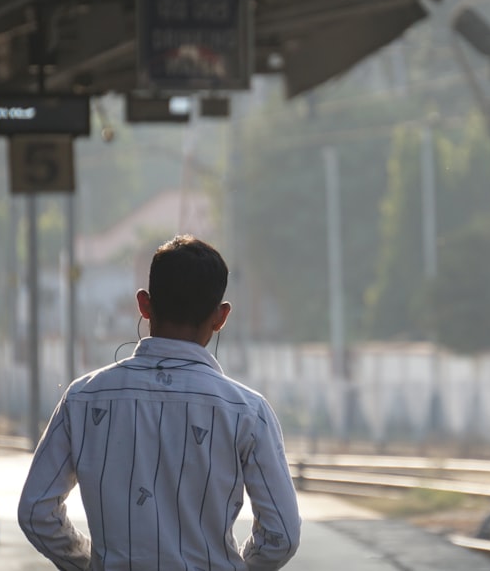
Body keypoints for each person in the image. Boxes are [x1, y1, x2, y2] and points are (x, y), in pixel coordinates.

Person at [18, 235, 300, 570]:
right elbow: (281, 534)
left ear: (144, 304)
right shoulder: (247, 413)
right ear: (221, 316)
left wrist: (90, 563)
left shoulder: (84, 398)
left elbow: (36, 511)